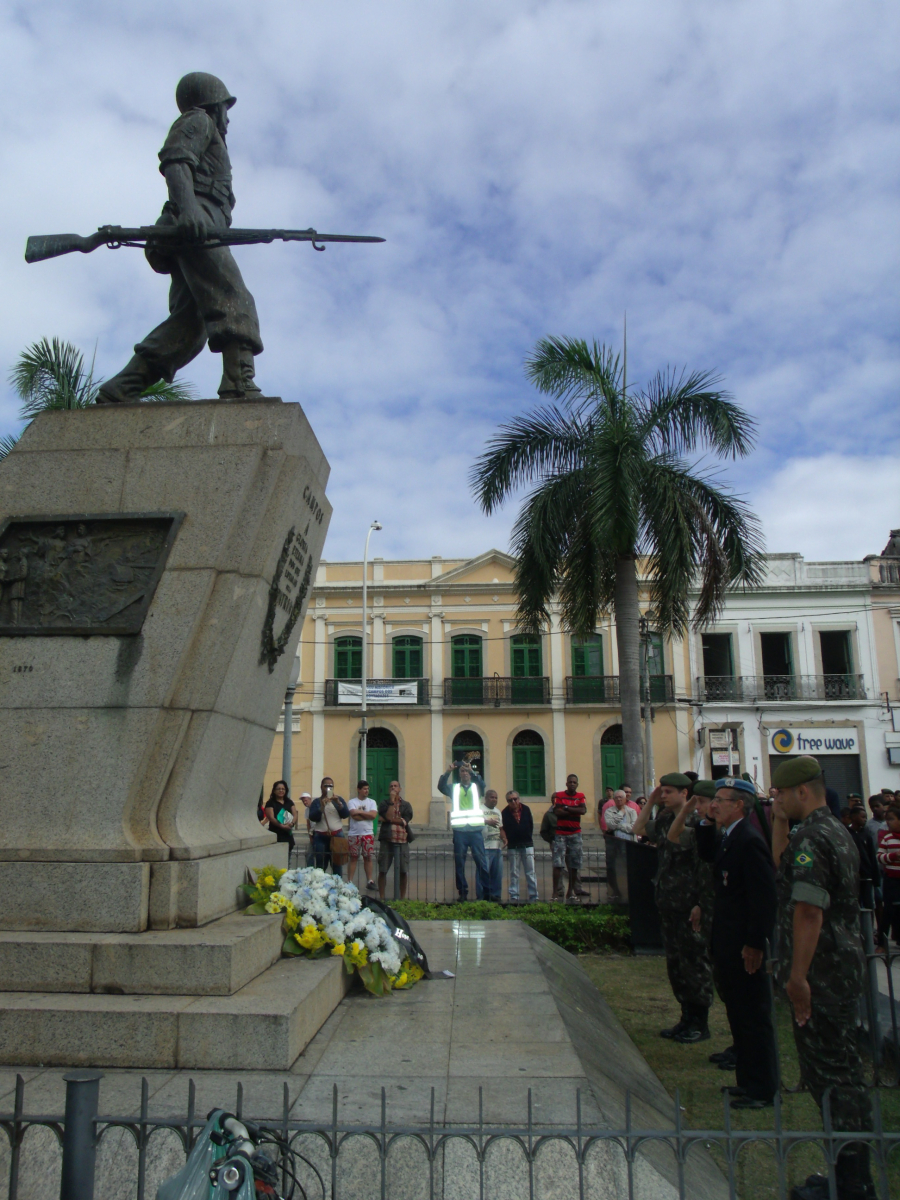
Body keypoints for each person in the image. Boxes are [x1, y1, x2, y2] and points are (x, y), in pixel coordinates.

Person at [97, 73, 265, 404]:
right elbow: (176, 162)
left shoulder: (208, 128)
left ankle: (122, 388)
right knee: (234, 297)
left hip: (203, 220)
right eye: (225, 108)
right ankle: (238, 383)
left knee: (190, 325)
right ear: (212, 105)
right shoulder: (198, 120)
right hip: (195, 220)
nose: (227, 118)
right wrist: (189, 212)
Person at [771, 755, 875, 1200]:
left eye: (779, 794)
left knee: (833, 1075)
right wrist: (777, 820)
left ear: (802, 792)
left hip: (822, 973)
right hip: (839, 968)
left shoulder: (814, 837)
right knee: (836, 1070)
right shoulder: (831, 831)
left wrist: (798, 978)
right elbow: (783, 867)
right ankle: (846, 1173)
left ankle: (853, 1184)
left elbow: (809, 911)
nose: (774, 800)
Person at [692, 778, 778, 1110]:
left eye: (720, 801)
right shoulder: (730, 835)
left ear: (739, 805)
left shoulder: (749, 840)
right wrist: (704, 821)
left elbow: (763, 898)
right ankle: (748, 1080)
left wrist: (755, 943)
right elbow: (709, 854)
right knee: (740, 1013)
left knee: (754, 1016)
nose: (713, 805)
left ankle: (763, 1089)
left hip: (745, 943)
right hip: (728, 940)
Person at [632, 773, 714, 1043]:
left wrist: (701, 902)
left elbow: (705, 867)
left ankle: (700, 1022)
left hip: (690, 902)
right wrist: (651, 801)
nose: (663, 795)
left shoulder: (697, 822)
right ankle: (685, 1017)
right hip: (668, 900)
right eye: (661, 791)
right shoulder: (667, 819)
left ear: (684, 793)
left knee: (695, 962)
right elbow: (638, 829)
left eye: (668, 792)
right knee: (676, 963)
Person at [438, 761, 489, 901]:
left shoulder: (476, 787)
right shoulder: (453, 788)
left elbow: (483, 784)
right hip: (460, 831)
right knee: (460, 863)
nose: (465, 773)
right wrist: (448, 771)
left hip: (475, 830)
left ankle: (486, 891)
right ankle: (462, 891)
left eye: (466, 771)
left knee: (481, 862)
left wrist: (472, 770)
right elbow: (441, 787)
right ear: (459, 775)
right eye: (462, 771)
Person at [548, 774, 587, 903]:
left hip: (575, 833)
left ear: (577, 784)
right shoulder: (559, 795)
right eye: (570, 782)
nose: (572, 784)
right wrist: (573, 810)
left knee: (574, 864)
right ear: (566, 783)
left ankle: (571, 891)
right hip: (561, 834)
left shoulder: (580, 796)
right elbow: (557, 811)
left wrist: (566, 808)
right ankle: (555, 892)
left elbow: (583, 810)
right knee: (557, 864)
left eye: (574, 782)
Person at [378, 781, 413, 900]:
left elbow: (405, 820)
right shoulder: (384, 804)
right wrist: (392, 802)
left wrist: (389, 819)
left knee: (403, 870)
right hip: (387, 839)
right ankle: (382, 897)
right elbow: (388, 816)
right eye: (391, 786)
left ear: (400, 789)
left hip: (402, 840)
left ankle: (401, 898)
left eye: (395, 786)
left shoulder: (406, 805)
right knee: (383, 869)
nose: (393, 788)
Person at [308, 777, 350, 876]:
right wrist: (321, 807)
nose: (328, 788)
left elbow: (346, 814)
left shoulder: (338, 800)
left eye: (330, 786)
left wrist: (339, 803)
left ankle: (337, 885)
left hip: (337, 836)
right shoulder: (316, 802)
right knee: (321, 866)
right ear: (321, 787)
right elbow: (313, 817)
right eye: (326, 785)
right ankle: (320, 887)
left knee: (337, 865)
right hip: (321, 837)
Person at [502, 790, 539, 903]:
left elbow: (530, 825)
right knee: (514, 871)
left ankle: (534, 895)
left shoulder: (526, 809)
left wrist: (527, 837)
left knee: (530, 871)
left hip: (527, 844)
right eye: (510, 800)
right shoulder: (504, 813)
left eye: (515, 799)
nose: (513, 802)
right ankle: (514, 895)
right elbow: (503, 828)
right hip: (513, 846)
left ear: (519, 799)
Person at [604, 789, 637, 901]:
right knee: (612, 867)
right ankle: (615, 890)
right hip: (613, 843)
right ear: (614, 799)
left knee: (627, 866)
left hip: (628, 842)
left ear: (625, 799)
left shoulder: (632, 811)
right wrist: (621, 814)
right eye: (616, 797)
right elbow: (610, 825)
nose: (618, 799)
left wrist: (619, 826)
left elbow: (633, 828)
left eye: (621, 797)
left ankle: (629, 890)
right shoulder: (609, 811)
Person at [347, 780, 378, 891]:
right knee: (353, 857)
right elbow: (353, 815)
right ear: (358, 789)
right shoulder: (352, 802)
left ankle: (370, 880)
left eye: (367, 789)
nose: (366, 791)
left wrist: (360, 812)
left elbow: (373, 815)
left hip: (368, 833)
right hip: (354, 834)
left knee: (368, 857)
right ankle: (350, 881)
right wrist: (367, 815)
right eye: (364, 789)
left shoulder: (372, 802)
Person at [876, 804, 900, 947]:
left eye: (891, 819)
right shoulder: (887, 838)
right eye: (887, 820)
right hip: (891, 880)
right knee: (889, 911)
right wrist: (892, 856)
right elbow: (879, 857)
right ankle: (882, 943)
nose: (888, 823)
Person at [481, 789, 506, 902]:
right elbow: (474, 821)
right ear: (485, 798)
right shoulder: (480, 809)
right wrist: (487, 822)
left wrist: (504, 838)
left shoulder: (498, 811)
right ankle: (482, 895)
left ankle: (496, 895)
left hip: (497, 846)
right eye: (492, 797)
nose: (494, 800)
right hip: (484, 847)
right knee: (483, 872)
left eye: (496, 798)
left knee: (497, 873)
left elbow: (500, 828)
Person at [264, 780, 298, 854]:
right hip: (276, 833)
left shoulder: (289, 802)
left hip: (287, 833)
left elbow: (295, 814)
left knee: (287, 859)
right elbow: (271, 818)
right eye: (278, 789)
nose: (281, 790)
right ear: (274, 791)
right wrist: (282, 826)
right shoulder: (270, 803)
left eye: (283, 789)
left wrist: (292, 823)